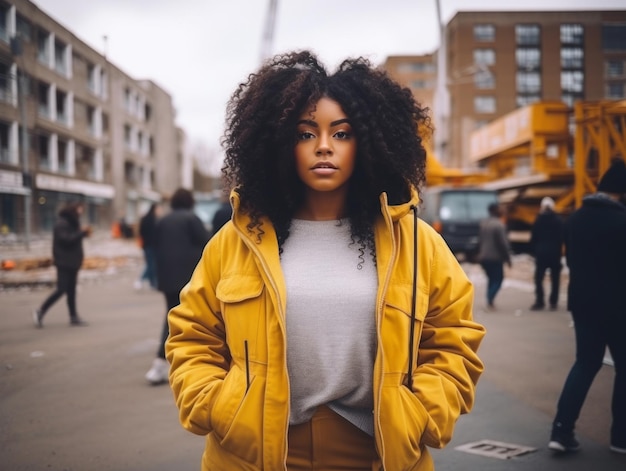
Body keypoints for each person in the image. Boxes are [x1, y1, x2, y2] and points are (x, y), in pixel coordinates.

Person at [165, 51, 485, 470]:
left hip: (375, 453)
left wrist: (421, 413)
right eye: (304, 134)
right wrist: (218, 406)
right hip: (253, 455)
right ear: (279, 143)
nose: (323, 147)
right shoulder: (238, 241)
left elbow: (453, 339)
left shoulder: (416, 242)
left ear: (368, 141)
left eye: (342, 133)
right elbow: (192, 335)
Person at [548, 158, 626, 455]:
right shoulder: (622, 222)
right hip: (619, 306)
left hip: (583, 304)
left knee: (585, 363)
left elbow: (572, 262)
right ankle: (620, 438)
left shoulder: (575, 219)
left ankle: (561, 430)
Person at [145, 188, 210, 385]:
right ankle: (163, 362)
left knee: (171, 316)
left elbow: (154, 246)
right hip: (188, 278)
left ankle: (167, 361)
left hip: (167, 278)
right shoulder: (192, 219)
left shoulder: (163, 220)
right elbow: (208, 243)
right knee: (187, 319)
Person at [33, 201, 91, 327]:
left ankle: (73, 316)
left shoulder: (73, 224)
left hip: (72, 262)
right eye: (80, 209)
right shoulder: (62, 223)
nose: (81, 212)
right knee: (61, 289)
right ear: (73, 211)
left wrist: (81, 233)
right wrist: (81, 233)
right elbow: (66, 240)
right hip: (64, 263)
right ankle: (40, 311)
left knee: (71, 291)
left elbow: (73, 239)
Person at [529, 197, 564, 311]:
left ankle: (540, 301)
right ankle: (553, 301)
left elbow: (533, 238)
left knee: (539, 278)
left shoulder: (538, 220)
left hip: (541, 253)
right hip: (555, 253)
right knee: (555, 279)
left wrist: (534, 251)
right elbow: (562, 237)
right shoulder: (558, 220)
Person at [477, 202, 511, 309]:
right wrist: (508, 258)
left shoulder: (484, 223)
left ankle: (490, 300)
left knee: (491, 278)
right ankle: (490, 298)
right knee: (498, 279)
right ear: (496, 211)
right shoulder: (499, 224)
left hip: (484, 256)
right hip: (495, 257)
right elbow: (503, 243)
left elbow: (480, 241)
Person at [135, 202, 161, 290]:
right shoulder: (152, 219)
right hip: (150, 245)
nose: (159, 211)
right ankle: (141, 280)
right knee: (151, 264)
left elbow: (141, 232)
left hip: (147, 245)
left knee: (151, 264)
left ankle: (152, 283)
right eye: (158, 209)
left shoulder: (147, 218)